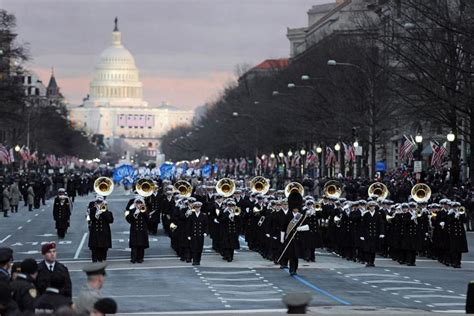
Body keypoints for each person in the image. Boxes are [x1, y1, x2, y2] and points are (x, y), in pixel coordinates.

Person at [279, 191, 306, 276]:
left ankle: (295, 269)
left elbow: (308, 226)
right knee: (291, 255)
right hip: (289, 238)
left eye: (297, 207)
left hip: (298, 238)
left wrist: (300, 228)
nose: (295, 209)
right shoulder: (288, 215)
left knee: (296, 255)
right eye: (294, 207)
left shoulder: (301, 215)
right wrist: (282, 238)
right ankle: (291, 270)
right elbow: (283, 227)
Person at [88, 196, 114, 262]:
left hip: (104, 232)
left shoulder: (106, 210)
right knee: (94, 247)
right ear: (95, 203)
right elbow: (91, 219)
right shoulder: (92, 210)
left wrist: (103, 211)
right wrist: (97, 213)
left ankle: (102, 259)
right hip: (95, 232)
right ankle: (94, 259)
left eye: (100, 202)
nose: (99, 204)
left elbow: (110, 220)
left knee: (103, 247)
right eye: (97, 202)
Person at [125, 197, 149, 263]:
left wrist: (143, 211)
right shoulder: (132, 210)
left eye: (140, 203)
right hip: (134, 230)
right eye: (138, 203)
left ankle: (140, 258)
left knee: (141, 246)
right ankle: (133, 258)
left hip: (142, 231)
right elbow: (128, 219)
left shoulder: (145, 210)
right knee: (134, 246)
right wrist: (135, 213)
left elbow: (148, 219)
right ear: (135, 204)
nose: (139, 204)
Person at [187, 201, 208, 265]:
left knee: (199, 248)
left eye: (198, 207)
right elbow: (189, 226)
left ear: (200, 208)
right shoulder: (191, 216)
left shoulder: (203, 215)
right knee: (194, 248)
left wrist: (205, 232)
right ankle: (194, 260)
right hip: (193, 234)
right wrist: (189, 235)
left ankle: (198, 260)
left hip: (200, 234)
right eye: (196, 207)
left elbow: (206, 225)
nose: (197, 209)